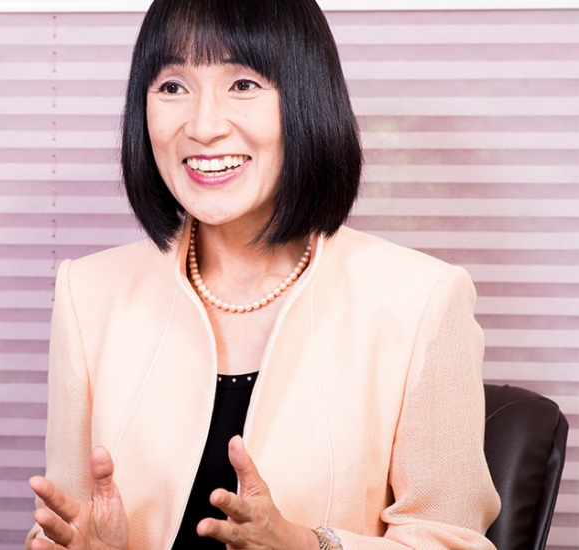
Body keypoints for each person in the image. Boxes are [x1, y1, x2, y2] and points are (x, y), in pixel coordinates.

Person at [26, 0, 501, 548]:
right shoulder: (88, 295)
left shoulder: (420, 301)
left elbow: (449, 539)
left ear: (306, 100)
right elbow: (62, 525)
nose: (203, 127)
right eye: (173, 87)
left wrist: (306, 544)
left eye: (244, 85)